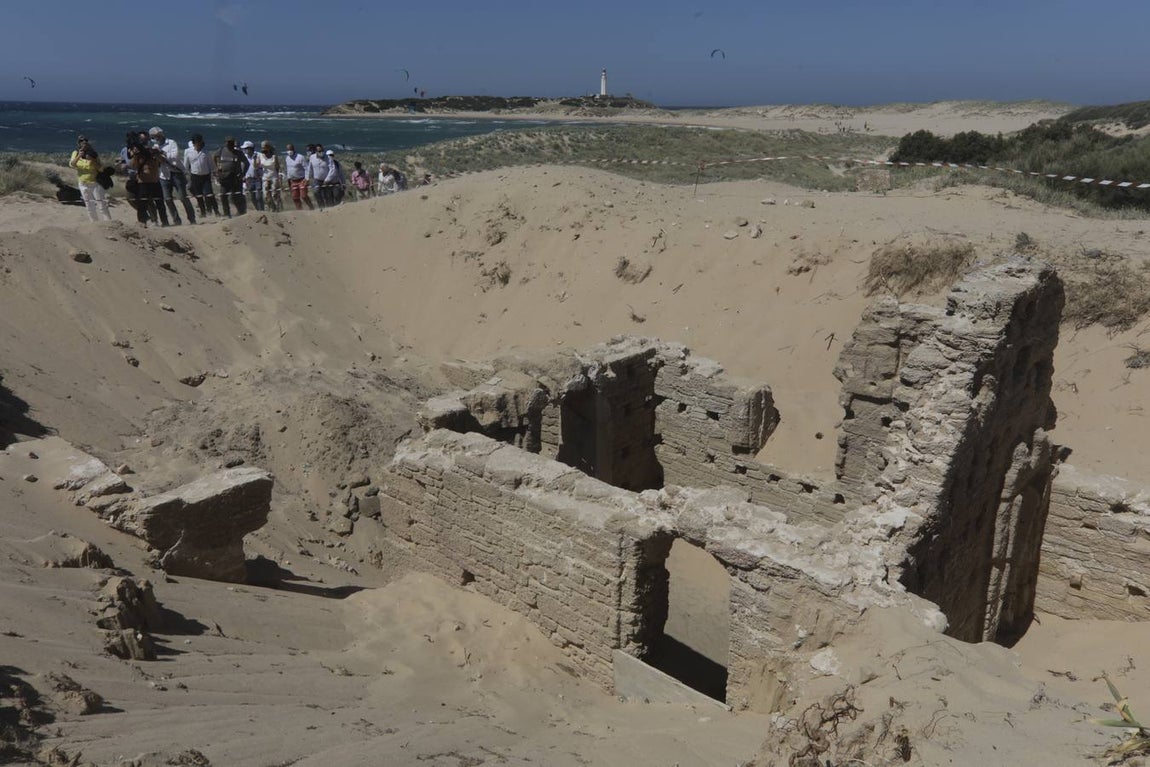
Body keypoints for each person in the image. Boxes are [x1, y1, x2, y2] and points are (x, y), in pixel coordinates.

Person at [149, 127, 195, 225]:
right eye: (153, 137)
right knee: (167, 199)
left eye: (156, 136)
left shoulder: (171, 143)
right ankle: (176, 220)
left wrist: (161, 153)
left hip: (176, 173)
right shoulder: (155, 146)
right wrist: (155, 156)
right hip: (164, 175)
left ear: (160, 135)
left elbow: (175, 156)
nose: (155, 139)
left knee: (183, 197)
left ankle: (192, 218)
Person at [69, 135, 111, 222]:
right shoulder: (75, 153)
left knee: (101, 204)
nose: (83, 144)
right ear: (79, 144)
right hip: (83, 183)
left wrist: (93, 160)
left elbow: (101, 168)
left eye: (85, 142)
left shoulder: (93, 154)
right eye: (81, 142)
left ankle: (108, 222)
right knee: (89, 205)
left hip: (95, 182)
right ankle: (94, 223)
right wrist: (79, 156)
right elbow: (72, 164)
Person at [129, 135, 169, 228]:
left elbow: (163, 160)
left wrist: (155, 153)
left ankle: (165, 222)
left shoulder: (153, 151)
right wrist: (135, 155)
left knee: (160, 203)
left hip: (155, 180)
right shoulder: (138, 154)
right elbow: (133, 166)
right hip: (143, 182)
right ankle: (142, 222)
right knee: (142, 204)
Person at [184, 134, 219, 218]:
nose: (199, 145)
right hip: (195, 176)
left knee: (209, 194)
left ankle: (216, 211)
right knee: (198, 195)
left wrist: (215, 173)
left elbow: (211, 164)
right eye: (197, 143)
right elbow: (186, 165)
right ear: (194, 143)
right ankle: (203, 212)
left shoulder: (206, 152)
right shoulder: (188, 152)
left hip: (206, 176)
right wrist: (185, 175)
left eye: (200, 143)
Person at [214, 136, 249, 217]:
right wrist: (217, 167)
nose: (230, 144)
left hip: (235, 178)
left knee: (236, 196)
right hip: (224, 177)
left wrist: (243, 173)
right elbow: (214, 157)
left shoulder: (238, 153)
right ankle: (226, 214)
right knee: (223, 195)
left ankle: (241, 212)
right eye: (228, 142)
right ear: (225, 143)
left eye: (231, 143)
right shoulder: (221, 150)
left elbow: (246, 163)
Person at [283, 143, 312, 210]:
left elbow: (306, 168)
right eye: (288, 150)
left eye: (290, 149)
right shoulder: (287, 158)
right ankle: (299, 211)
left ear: (293, 149)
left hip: (301, 179)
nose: (289, 151)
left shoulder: (300, 157)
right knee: (295, 197)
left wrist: (307, 178)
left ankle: (311, 208)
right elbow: (288, 169)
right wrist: (288, 179)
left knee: (304, 196)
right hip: (293, 180)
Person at [257, 141, 281, 213]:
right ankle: (271, 208)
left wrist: (279, 177)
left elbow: (277, 167)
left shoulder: (274, 157)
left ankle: (277, 209)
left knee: (274, 194)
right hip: (265, 177)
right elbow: (257, 166)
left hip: (273, 176)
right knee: (266, 195)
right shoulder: (260, 156)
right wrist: (255, 160)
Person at [240, 140, 264, 211]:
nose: (244, 150)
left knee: (258, 196)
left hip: (257, 178)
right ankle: (257, 210)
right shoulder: (244, 157)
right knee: (252, 197)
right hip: (249, 179)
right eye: (244, 149)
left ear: (250, 148)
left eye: (246, 148)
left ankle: (261, 210)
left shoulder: (259, 155)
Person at [306, 144, 330, 209]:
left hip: (326, 179)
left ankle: (329, 207)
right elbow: (310, 168)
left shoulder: (327, 158)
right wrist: (307, 178)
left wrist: (328, 179)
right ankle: (321, 206)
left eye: (322, 150)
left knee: (326, 194)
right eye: (319, 151)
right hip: (317, 179)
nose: (321, 152)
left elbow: (331, 168)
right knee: (316, 192)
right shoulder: (312, 157)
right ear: (316, 151)